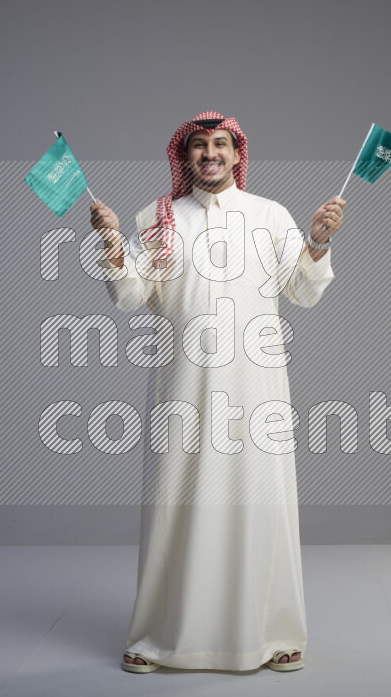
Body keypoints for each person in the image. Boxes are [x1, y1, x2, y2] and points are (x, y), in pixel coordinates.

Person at [89, 111, 345, 673]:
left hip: (258, 387)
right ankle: (159, 636)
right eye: (200, 146)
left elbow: (301, 292)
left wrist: (319, 241)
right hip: (184, 383)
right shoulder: (159, 219)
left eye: (221, 144)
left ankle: (275, 634)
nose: (211, 153)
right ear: (184, 158)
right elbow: (131, 296)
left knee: (261, 501)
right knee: (176, 502)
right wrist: (111, 243)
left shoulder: (271, 216)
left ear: (237, 155)